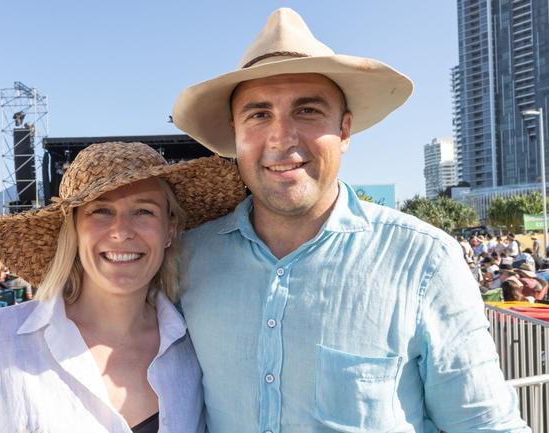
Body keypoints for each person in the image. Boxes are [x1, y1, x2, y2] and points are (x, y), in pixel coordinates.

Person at [172, 8, 528, 432]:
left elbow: (486, 425)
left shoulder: (424, 260)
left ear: (344, 131)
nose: (281, 138)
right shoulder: (189, 258)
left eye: (306, 111)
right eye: (259, 114)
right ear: (235, 134)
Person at [0, 141, 245, 433]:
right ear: (74, 231)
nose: (121, 231)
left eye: (144, 211)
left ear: (169, 230)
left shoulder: (193, 348)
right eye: (101, 211)